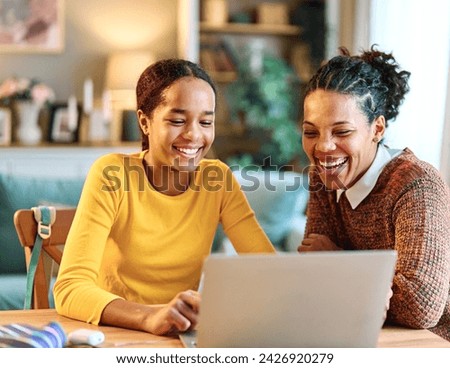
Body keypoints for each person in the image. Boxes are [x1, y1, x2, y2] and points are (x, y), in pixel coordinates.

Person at [54, 59, 275, 336]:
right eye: (177, 120)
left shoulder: (218, 179)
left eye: (206, 121)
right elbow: (70, 288)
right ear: (145, 122)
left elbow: (270, 271)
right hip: (116, 332)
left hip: (180, 335)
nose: (194, 134)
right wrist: (150, 316)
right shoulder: (112, 174)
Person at [298, 45, 450, 341]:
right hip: (360, 334)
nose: (323, 148)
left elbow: (421, 306)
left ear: (377, 129)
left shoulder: (415, 183)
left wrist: (338, 259)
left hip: (430, 343)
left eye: (342, 132)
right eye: (311, 132)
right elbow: (313, 272)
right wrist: (361, 279)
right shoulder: (323, 178)